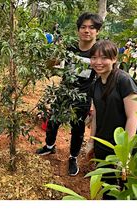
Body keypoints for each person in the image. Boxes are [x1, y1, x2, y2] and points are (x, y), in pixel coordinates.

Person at [36, 12, 100, 176]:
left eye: (91, 28)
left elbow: (101, 78)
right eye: (83, 27)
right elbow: (52, 64)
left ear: (97, 31)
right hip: (64, 92)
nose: (87, 31)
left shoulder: (98, 51)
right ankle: (49, 146)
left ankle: (73, 157)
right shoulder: (69, 46)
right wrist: (53, 55)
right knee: (53, 121)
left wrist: (94, 105)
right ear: (78, 30)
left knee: (77, 129)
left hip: (84, 96)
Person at [89, 39, 137, 197]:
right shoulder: (95, 85)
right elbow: (96, 114)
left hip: (126, 144)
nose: (98, 62)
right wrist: (92, 141)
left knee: (130, 187)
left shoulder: (124, 81)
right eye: (94, 58)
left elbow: (133, 117)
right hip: (104, 141)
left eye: (104, 58)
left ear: (114, 59)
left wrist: (125, 152)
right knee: (108, 186)